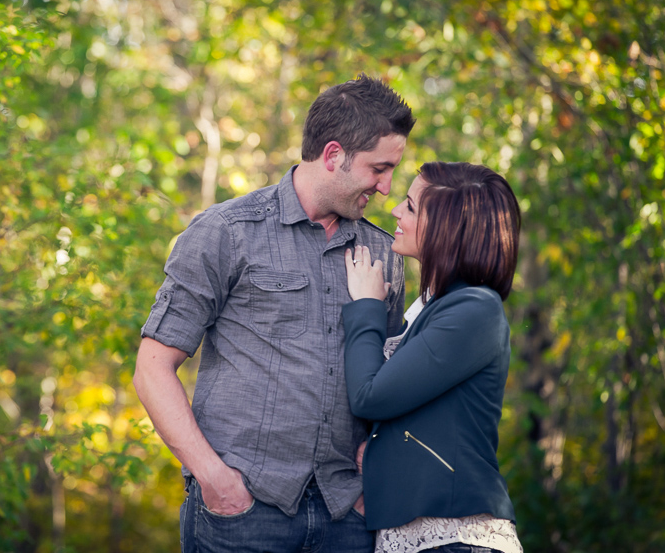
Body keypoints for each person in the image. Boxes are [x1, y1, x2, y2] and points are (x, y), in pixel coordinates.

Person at [133, 74, 415, 552]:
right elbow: (152, 368)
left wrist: (375, 477)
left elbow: (389, 384)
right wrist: (213, 478)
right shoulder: (226, 232)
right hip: (241, 514)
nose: (387, 188)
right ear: (333, 156)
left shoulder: (386, 253)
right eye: (378, 169)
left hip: (348, 516)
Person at [343, 161, 523, 553]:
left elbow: (370, 396)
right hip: (414, 536)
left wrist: (367, 306)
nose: (394, 211)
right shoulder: (436, 307)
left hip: (456, 537)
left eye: (409, 206)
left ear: (447, 227)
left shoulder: (475, 310)